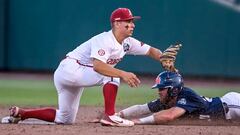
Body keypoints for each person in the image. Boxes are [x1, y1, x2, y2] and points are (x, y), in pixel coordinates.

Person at [1, 8, 181, 126]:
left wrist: (162, 59)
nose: (132, 24)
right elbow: (98, 67)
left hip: (73, 75)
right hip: (71, 70)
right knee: (111, 75)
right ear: (117, 23)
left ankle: (21, 114)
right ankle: (110, 116)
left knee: (65, 118)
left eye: (133, 21)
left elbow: (151, 50)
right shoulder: (104, 40)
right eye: (128, 21)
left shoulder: (128, 42)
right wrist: (123, 73)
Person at [117, 71, 240, 125]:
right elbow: (142, 108)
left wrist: (135, 122)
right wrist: (118, 115)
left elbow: (169, 116)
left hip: (232, 105)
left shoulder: (186, 95)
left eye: (162, 89)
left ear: (173, 89)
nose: (159, 92)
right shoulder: (167, 100)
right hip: (228, 113)